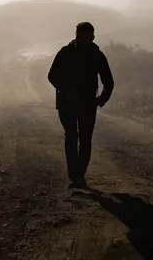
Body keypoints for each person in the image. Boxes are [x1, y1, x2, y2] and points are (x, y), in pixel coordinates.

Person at [48, 22, 114, 188]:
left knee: (83, 139)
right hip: (67, 103)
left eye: (86, 36)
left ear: (92, 37)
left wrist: (102, 98)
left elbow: (109, 81)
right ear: (77, 35)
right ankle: (75, 177)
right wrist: (66, 90)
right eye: (81, 36)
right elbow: (52, 75)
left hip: (87, 104)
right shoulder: (65, 52)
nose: (83, 39)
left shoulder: (96, 55)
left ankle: (79, 175)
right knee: (72, 137)